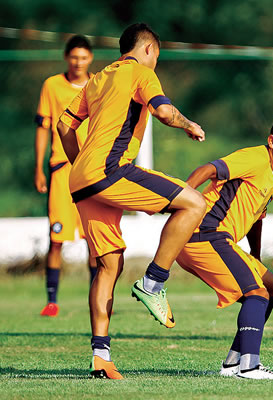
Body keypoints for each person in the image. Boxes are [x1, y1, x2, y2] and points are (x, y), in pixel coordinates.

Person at [57, 23, 207, 379]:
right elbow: (163, 112)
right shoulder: (141, 72)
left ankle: (100, 356)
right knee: (195, 203)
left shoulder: (98, 79)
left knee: (110, 265)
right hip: (111, 171)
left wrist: (81, 166)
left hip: (80, 180)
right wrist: (188, 124)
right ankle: (153, 282)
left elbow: (64, 125)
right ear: (149, 50)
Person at [177, 114, 273, 380]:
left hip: (218, 239)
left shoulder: (271, 180)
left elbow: (255, 219)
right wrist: (179, 198)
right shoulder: (255, 158)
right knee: (257, 293)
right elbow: (207, 170)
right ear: (272, 142)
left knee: (272, 287)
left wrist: (255, 257)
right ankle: (250, 366)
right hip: (204, 234)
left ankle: (232, 363)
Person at [34, 35, 97, 317]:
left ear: (90, 59)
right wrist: (40, 167)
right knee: (57, 236)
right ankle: (52, 301)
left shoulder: (99, 84)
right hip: (61, 168)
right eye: (74, 57)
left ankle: (96, 298)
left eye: (83, 57)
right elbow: (43, 127)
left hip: (91, 169)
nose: (78, 62)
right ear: (66, 58)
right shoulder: (52, 85)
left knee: (94, 239)